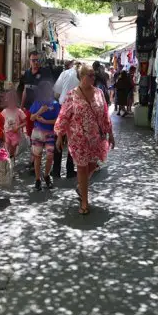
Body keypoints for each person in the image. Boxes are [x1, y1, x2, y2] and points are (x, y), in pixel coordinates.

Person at [55, 65, 115, 214]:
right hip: (78, 138)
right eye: (90, 75)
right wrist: (60, 136)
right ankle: (84, 202)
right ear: (81, 77)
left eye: (94, 75)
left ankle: (81, 186)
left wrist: (111, 133)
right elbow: (63, 116)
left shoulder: (99, 93)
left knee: (93, 164)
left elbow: (105, 115)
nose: (93, 78)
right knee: (81, 167)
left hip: (95, 137)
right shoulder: (72, 95)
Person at [21, 51, 52, 173]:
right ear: (29, 60)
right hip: (29, 109)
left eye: (37, 60)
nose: (35, 62)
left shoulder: (45, 73)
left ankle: (36, 161)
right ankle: (33, 159)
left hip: (40, 110)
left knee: (39, 135)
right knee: (30, 134)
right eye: (33, 60)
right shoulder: (27, 73)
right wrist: (22, 106)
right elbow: (25, 90)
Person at [30, 81, 61, 191]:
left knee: (49, 156)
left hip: (50, 133)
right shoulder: (37, 102)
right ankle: (38, 179)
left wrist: (46, 121)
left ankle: (46, 175)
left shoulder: (55, 103)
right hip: (37, 132)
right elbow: (31, 118)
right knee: (37, 156)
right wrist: (40, 111)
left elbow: (58, 120)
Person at [52, 61, 79, 178]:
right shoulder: (81, 76)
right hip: (75, 109)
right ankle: (69, 169)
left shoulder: (65, 73)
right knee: (71, 139)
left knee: (59, 137)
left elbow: (56, 92)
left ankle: (56, 169)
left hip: (62, 107)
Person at [2, 93, 26, 161]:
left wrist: (18, 127)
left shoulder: (19, 111)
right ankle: (7, 161)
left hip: (15, 134)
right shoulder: (4, 111)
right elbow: (1, 122)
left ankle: (12, 159)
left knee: (13, 147)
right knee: (6, 147)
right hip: (6, 133)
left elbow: (25, 122)